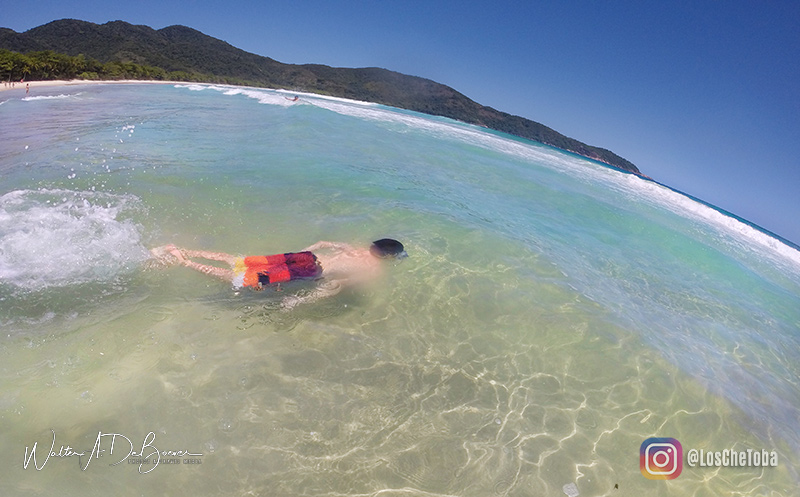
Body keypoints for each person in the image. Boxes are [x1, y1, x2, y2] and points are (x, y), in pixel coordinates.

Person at [152, 239, 407, 308]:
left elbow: (322, 242)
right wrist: (300, 301)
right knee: (242, 279)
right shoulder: (372, 270)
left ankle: (177, 248)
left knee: (240, 261)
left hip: (306, 258)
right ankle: (183, 262)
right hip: (310, 270)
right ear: (388, 257)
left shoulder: (355, 247)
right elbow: (335, 285)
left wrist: (304, 250)